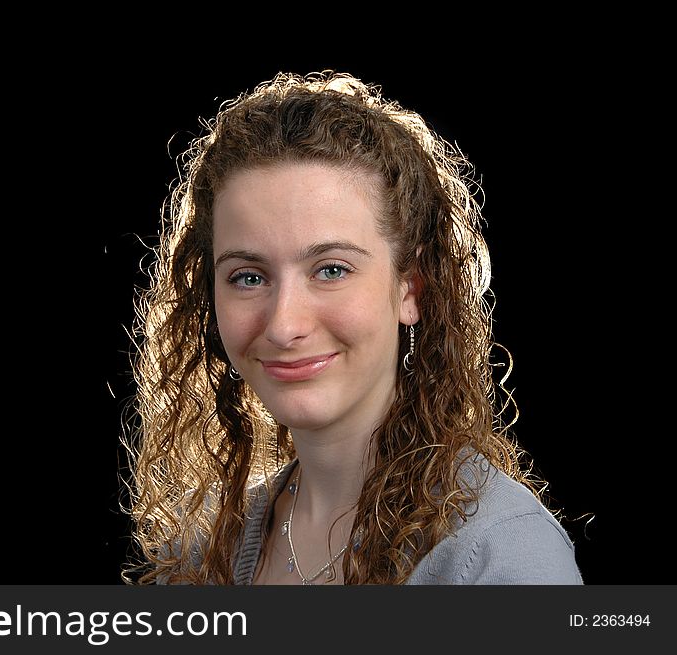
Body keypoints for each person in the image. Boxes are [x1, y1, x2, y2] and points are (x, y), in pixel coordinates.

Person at [123, 71, 582, 585]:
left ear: (410, 290)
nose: (284, 324)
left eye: (331, 270)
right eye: (248, 277)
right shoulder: (202, 557)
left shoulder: (502, 556)